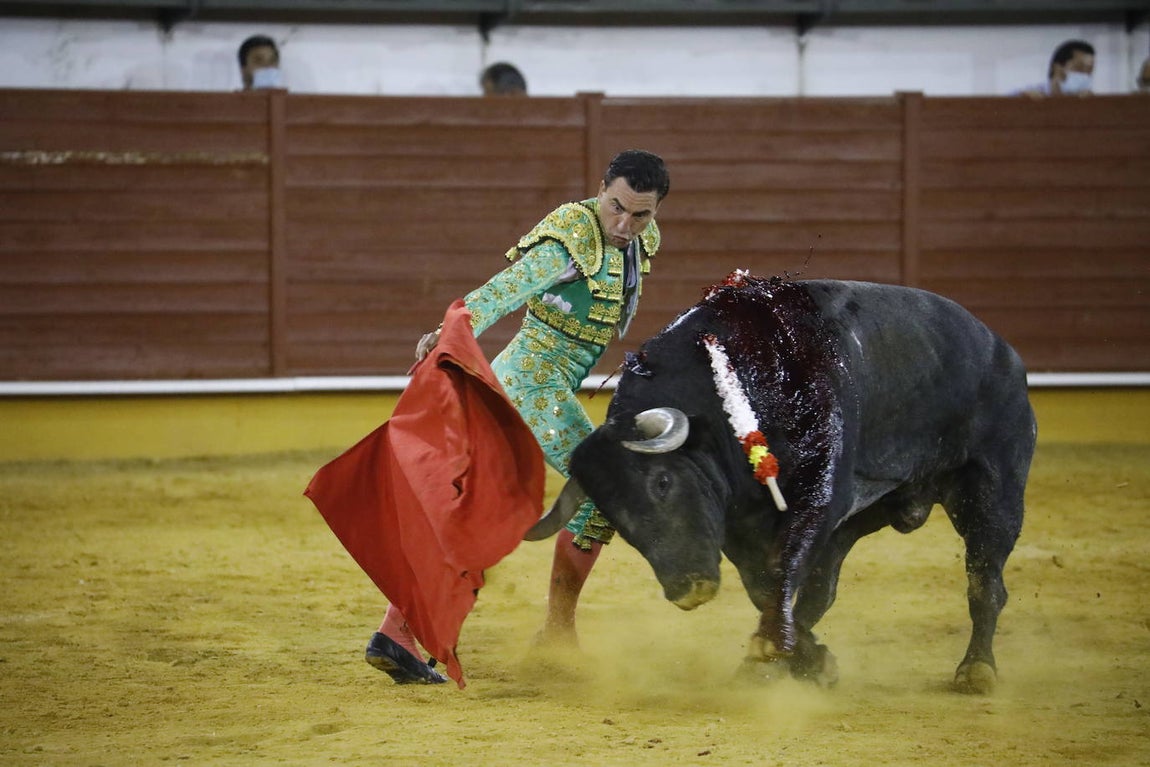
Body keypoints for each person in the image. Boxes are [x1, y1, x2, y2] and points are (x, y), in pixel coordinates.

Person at [364, 149, 671, 684]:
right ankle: (556, 635)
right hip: (533, 386)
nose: (625, 224)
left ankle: (397, 634)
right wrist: (453, 332)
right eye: (616, 207)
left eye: (640, 214)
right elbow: (509, 289)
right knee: (602, 492)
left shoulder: (643, 241)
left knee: (484, 511)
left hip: (537, 387)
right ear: (600, 189)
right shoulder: (571, 238)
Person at [1013, 39, 1094, 97]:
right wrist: (1022, 98)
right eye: (1079, 67)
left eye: (1089, 69)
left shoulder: (1088, 100)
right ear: (1057, 67)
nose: (1085, 75)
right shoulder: (1035, 91)